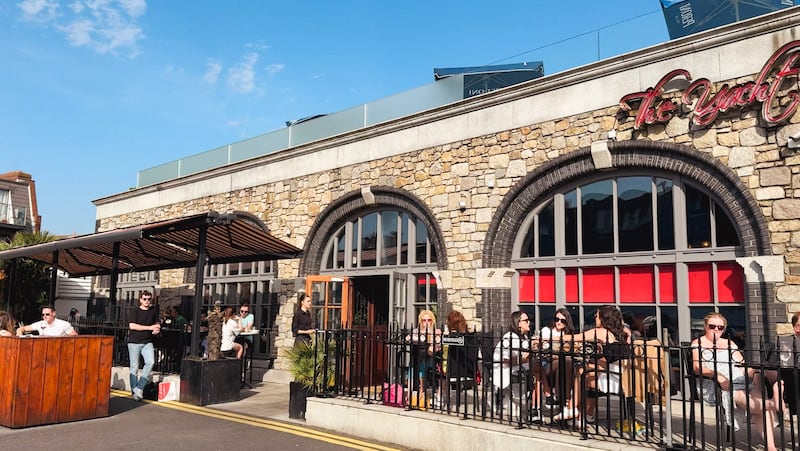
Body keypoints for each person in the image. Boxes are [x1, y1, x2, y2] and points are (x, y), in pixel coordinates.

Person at [692, 312, 781, 451]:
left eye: (720, 327)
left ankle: (771, 447)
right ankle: (774, 403)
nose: (716, 329)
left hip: (740, 381)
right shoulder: (698, 343)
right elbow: (697, 368)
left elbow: (743, 365)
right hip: (717, 385)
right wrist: (717, 374)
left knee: (757, 391)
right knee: (742, 395)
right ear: (705, 326)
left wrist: (756, 374)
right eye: (712, 326)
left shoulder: (729, 343)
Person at [554, 305, 630, 422]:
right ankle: (585, 415)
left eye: (597, 316)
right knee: (590, 368)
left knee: (582, 371)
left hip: (613, 379)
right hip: (623, 375)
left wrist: (550, 337)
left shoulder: (600, 332)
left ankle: (571, 408)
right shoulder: (622, 333)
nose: (595, 318)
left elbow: (576, 338)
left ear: (603, 318)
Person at [492, 310, 532, 420]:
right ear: (518, 323)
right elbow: (506, 359)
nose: (529, 323)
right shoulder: (511, 337)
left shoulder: (523, 337)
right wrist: (528, 355)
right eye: (526, 320)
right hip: (504, 369)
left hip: (517, 367)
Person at [436, 310, 477, 410]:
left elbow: (446, 353)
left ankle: (439, 395)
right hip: (470, 370)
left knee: (438, 366)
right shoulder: (471, 337)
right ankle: (440, 395)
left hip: (454, 371)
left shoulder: (451, 338)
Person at [536, 308, 576, 408]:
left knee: (565, 364)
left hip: (563, 365)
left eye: (562, 320)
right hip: (547, 364)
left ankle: (562, 399)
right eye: (556, 319)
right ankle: (565, 399)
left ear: (567, 322)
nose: (558, 322)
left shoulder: (568, 335)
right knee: (566, 361)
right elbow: (542, 349)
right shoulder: (546, 331)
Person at [127, 291, 160, 401]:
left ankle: (139, 387)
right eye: (145, 299)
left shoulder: (153, 310)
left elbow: (157, 323)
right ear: (140, 300)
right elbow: (132, 325)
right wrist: (150, 328)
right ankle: (134, 391)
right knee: (134, 367)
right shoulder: (135, 311)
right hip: (134, 342)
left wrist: (156, 328)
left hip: (147, 341)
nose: (147, 301)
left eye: (149, 299)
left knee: (150, 362)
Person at [408, 309, 442, 407]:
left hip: (432, 359)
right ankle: (415, 393)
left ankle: (422, 392)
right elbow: (408, 338)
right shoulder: (416, 331)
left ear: (433, 321)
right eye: (424, 320)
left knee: (422, 364)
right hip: (418, 357)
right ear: (420, 321)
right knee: (417, 364)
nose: (426, 322)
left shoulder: (436, 331)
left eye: (429, 320)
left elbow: (438, 344)